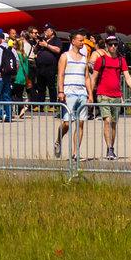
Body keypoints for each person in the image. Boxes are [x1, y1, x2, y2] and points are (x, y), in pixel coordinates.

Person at [92, 35, 131, 160]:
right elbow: (94, 77)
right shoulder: (101, 60)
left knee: (113, 124)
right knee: (107, 121)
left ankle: (111, 147)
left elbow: (127, 77)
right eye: (111, 44)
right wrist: (90, 95)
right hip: (103, 94)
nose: (113, 46)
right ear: (106, 45)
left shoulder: (121, 60)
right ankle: (109, 149)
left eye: (115, 44)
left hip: (116, 95)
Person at [51, 31, 92, 162]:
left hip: (82, 93)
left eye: (83, 40)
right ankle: (59, 139)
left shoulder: (84, 58)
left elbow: (87, 77)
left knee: (80, 123)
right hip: (69, 92)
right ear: (73, 41)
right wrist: (61, 91)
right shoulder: (65, 56)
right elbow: (61, 74)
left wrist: (90, 94)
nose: (82, 42)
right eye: (80, 40)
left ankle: (75, 153)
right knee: (67, 123)